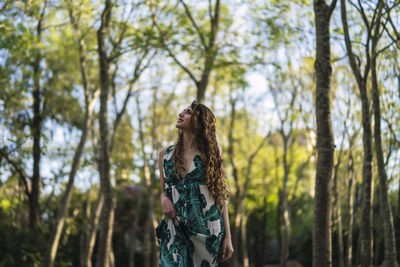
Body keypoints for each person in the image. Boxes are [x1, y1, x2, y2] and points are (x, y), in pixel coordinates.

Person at [156, 100, 234, 266]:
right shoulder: (165, 153)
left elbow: (220, 195)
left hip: (206, 230)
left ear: (199, 121)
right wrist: (164, 199)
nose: (181, 114)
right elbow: (163, 190)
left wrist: (228, 237)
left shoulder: (211, 153)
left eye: (188, 112)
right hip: (174, 227)